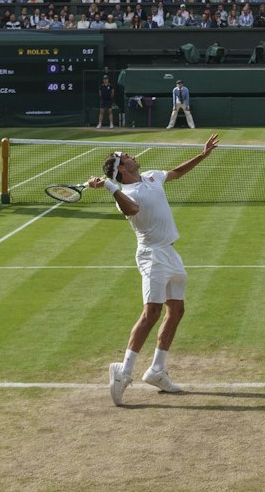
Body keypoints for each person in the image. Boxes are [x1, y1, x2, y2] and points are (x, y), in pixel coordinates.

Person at [90, 137, 218, 405]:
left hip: (170, 253)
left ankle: (157, 370)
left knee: (177, 310)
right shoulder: (125, 195)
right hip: (152, 256)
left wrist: (202, 155)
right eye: (127, 156)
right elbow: (132, 209)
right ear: (121, 168)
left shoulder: (151, 176)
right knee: (151, 313)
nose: (132, 156)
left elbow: (177, 172)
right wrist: (111, 188)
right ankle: (124, 371)